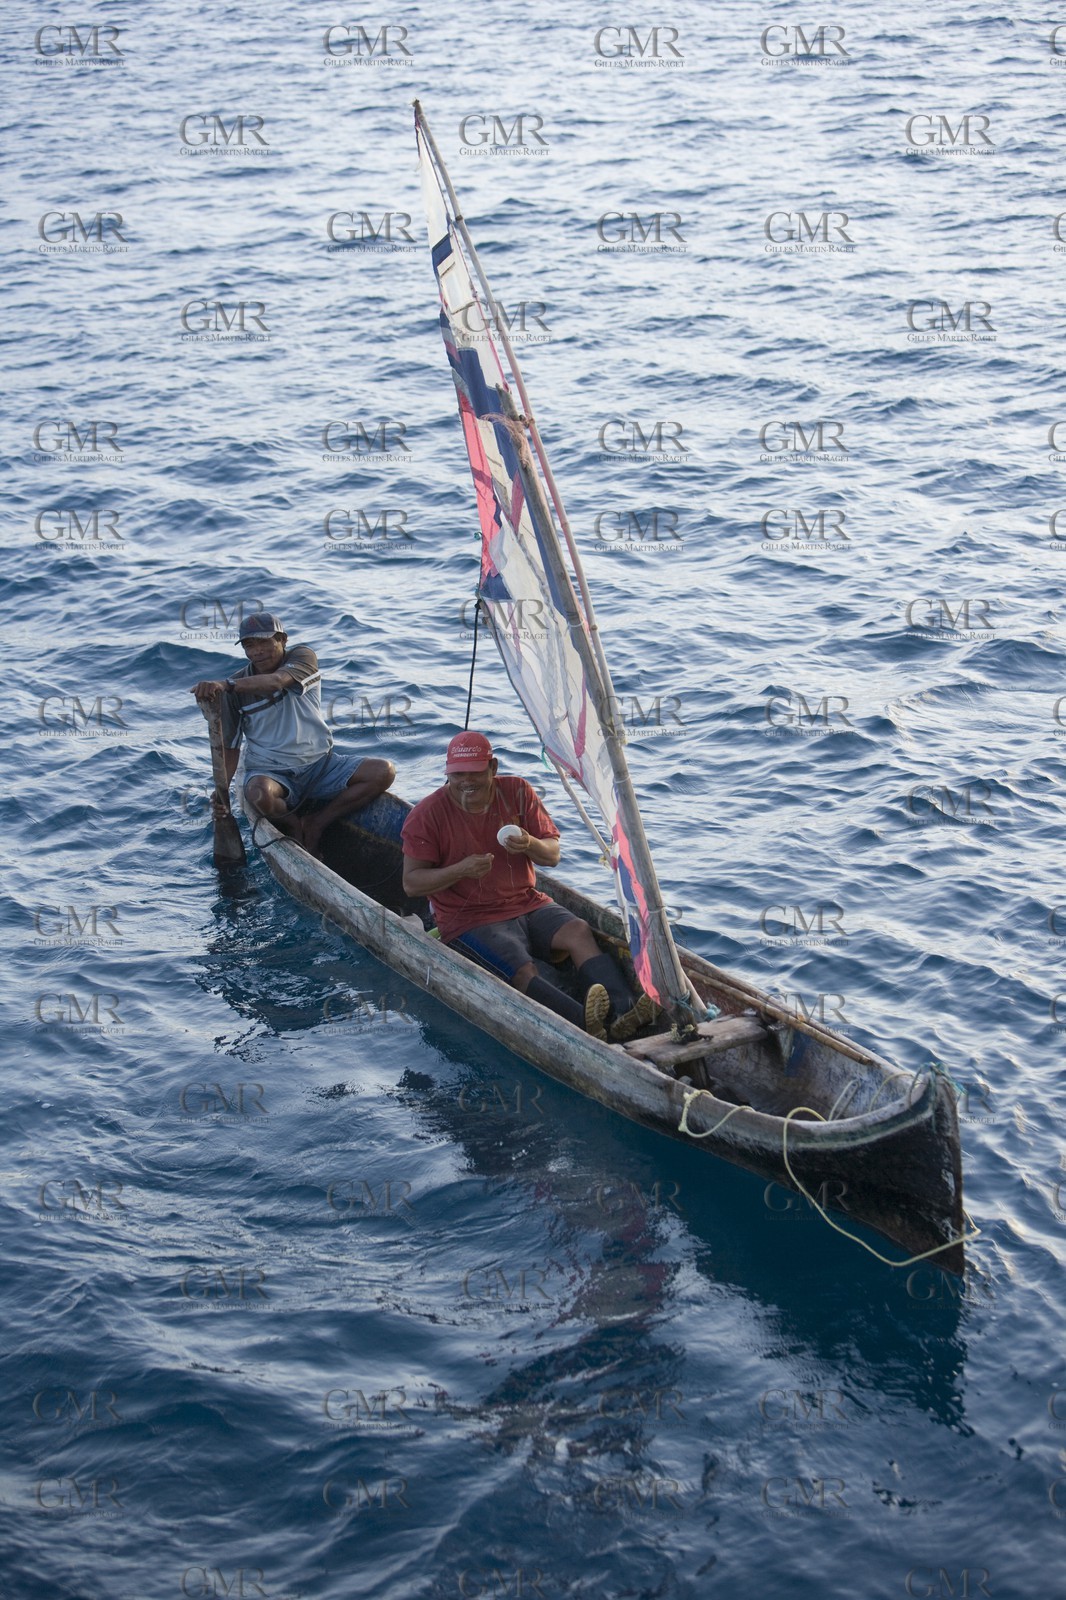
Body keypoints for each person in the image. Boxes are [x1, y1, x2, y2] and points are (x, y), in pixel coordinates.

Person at [400, 731, 654, 1041]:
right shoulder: (426, 814)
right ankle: (588, 1029)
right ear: (448, 773)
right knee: (521, 970)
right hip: (468, 920)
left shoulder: (517, 791)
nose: (467, 781)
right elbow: (412, 884)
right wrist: (460, 870)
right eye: (458, 774)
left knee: (578, 931)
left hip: (527, 902)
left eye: (475, 772)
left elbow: (553, 855)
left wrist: (530, 843)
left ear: (492, 768)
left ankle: (624, 1011)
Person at [190, 612, 395, 855]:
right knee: (258, 794)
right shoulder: (234, 691)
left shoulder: (302, 658)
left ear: (283, 640)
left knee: (383, 771)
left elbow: (277, 682)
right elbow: (231, 747)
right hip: (272, 771)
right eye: (249, 645)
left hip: (321, 764)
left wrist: (225, 686)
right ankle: (293, 823)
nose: (257, 651)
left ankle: (317, 822)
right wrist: (221, 792)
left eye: (264, 642)